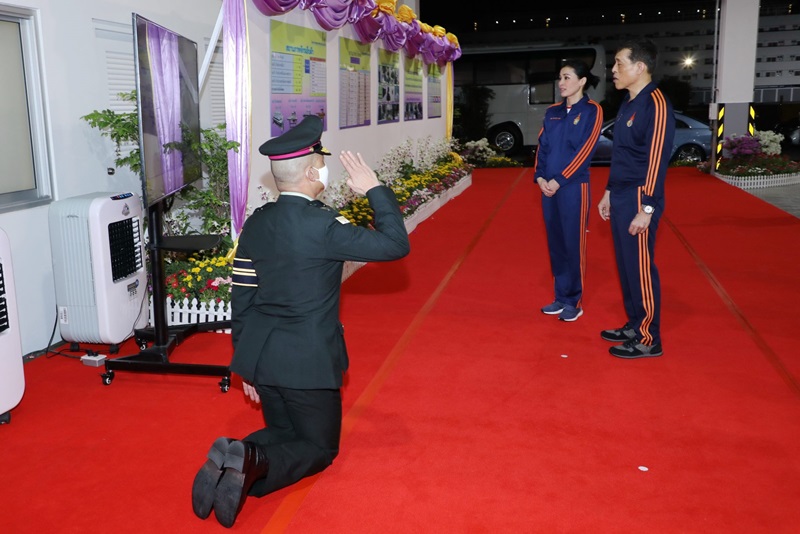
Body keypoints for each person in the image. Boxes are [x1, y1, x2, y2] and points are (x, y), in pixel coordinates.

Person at [191, 115, 410, 528]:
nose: (324, 169)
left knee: (285, 433)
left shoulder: (256, 223)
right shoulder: (325, 226)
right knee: (319, 448)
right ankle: (250, 459)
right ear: (311, 173)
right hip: (308, 362)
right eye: (321, 163)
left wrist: (246, 364)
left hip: (265, 359)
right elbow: (395, 244)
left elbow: (243, 298)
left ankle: (230, 461)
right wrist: (374, 189)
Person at [597, 39, 675, 358]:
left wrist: (647, 208)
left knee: (641, 266)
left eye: (619, 63)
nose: (613, 70)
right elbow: (622, 155)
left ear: (640, 67)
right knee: (627, 264)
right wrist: (609, 191)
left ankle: (648, 338)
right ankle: (634, 323)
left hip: (641, 195)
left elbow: (657, 160)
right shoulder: (629, 102)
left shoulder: (655, 103)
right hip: (621, 193)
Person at [534, 59, 603, 322]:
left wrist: (559, 180)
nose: (561, 83)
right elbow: (543, 147)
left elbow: (585, 151)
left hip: (574, 188)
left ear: (582, 81)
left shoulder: (592, 111)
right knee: (556, 243)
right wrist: (540, 177)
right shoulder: (552, 111)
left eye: (567, 77)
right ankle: (560, 297)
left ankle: (574, 300)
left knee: (573, 243)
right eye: (560, 78)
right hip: (548, 188)